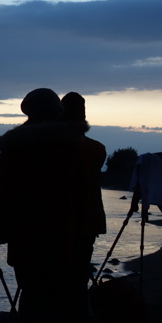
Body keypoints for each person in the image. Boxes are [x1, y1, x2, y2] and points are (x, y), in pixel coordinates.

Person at [0, 88, 88, 323]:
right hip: (61, 230)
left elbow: (3, 192)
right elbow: (80, 191)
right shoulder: (70, 144)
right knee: (58, 290)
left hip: (26, 232)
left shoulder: (14, 148)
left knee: (33, 291)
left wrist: (2, 229)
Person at [60, 92, 107, 276]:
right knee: (78, 279)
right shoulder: (97, 148)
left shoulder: (54, 147)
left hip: (61, 224)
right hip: (87, 223)